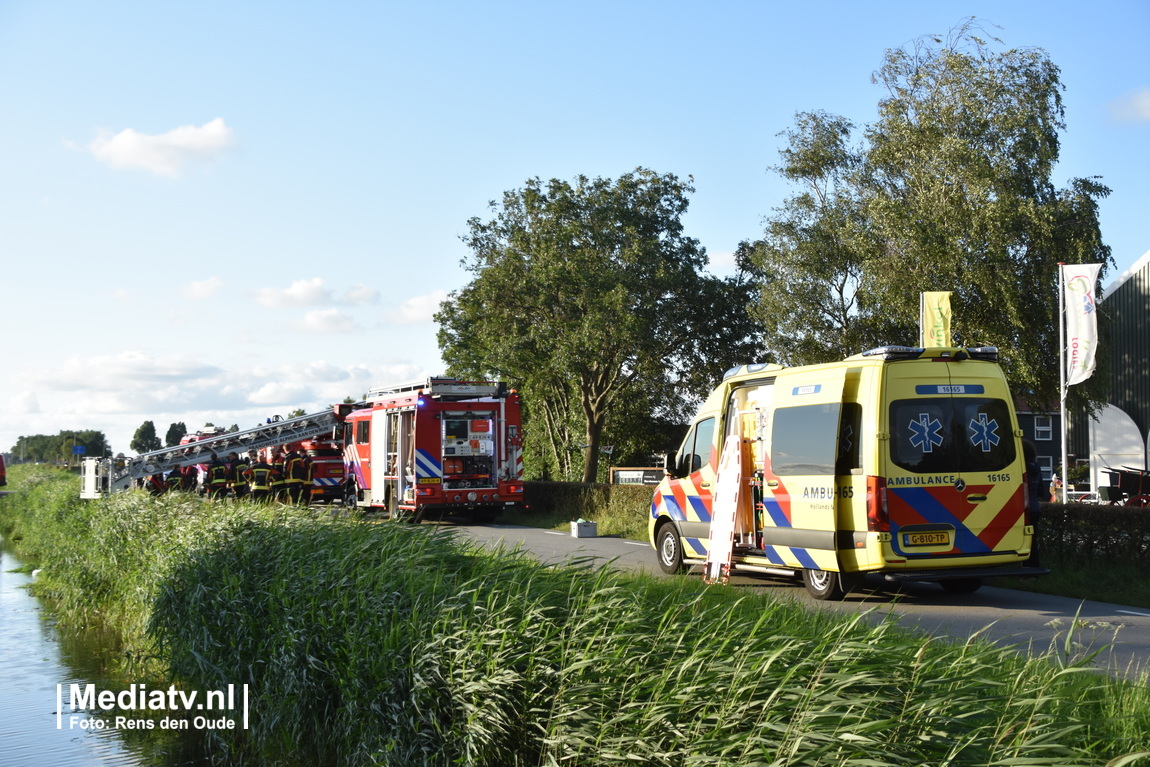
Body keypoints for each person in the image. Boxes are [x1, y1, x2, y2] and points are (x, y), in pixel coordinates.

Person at [1023, 440, 1046, 567]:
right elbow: (1041, 490)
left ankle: (1026, 569)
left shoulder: (1022, 468)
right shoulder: (1036, 468)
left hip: (1024, 508)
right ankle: (1035, 568)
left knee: (1023, 541)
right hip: (1035, 508)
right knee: (1033, 540)